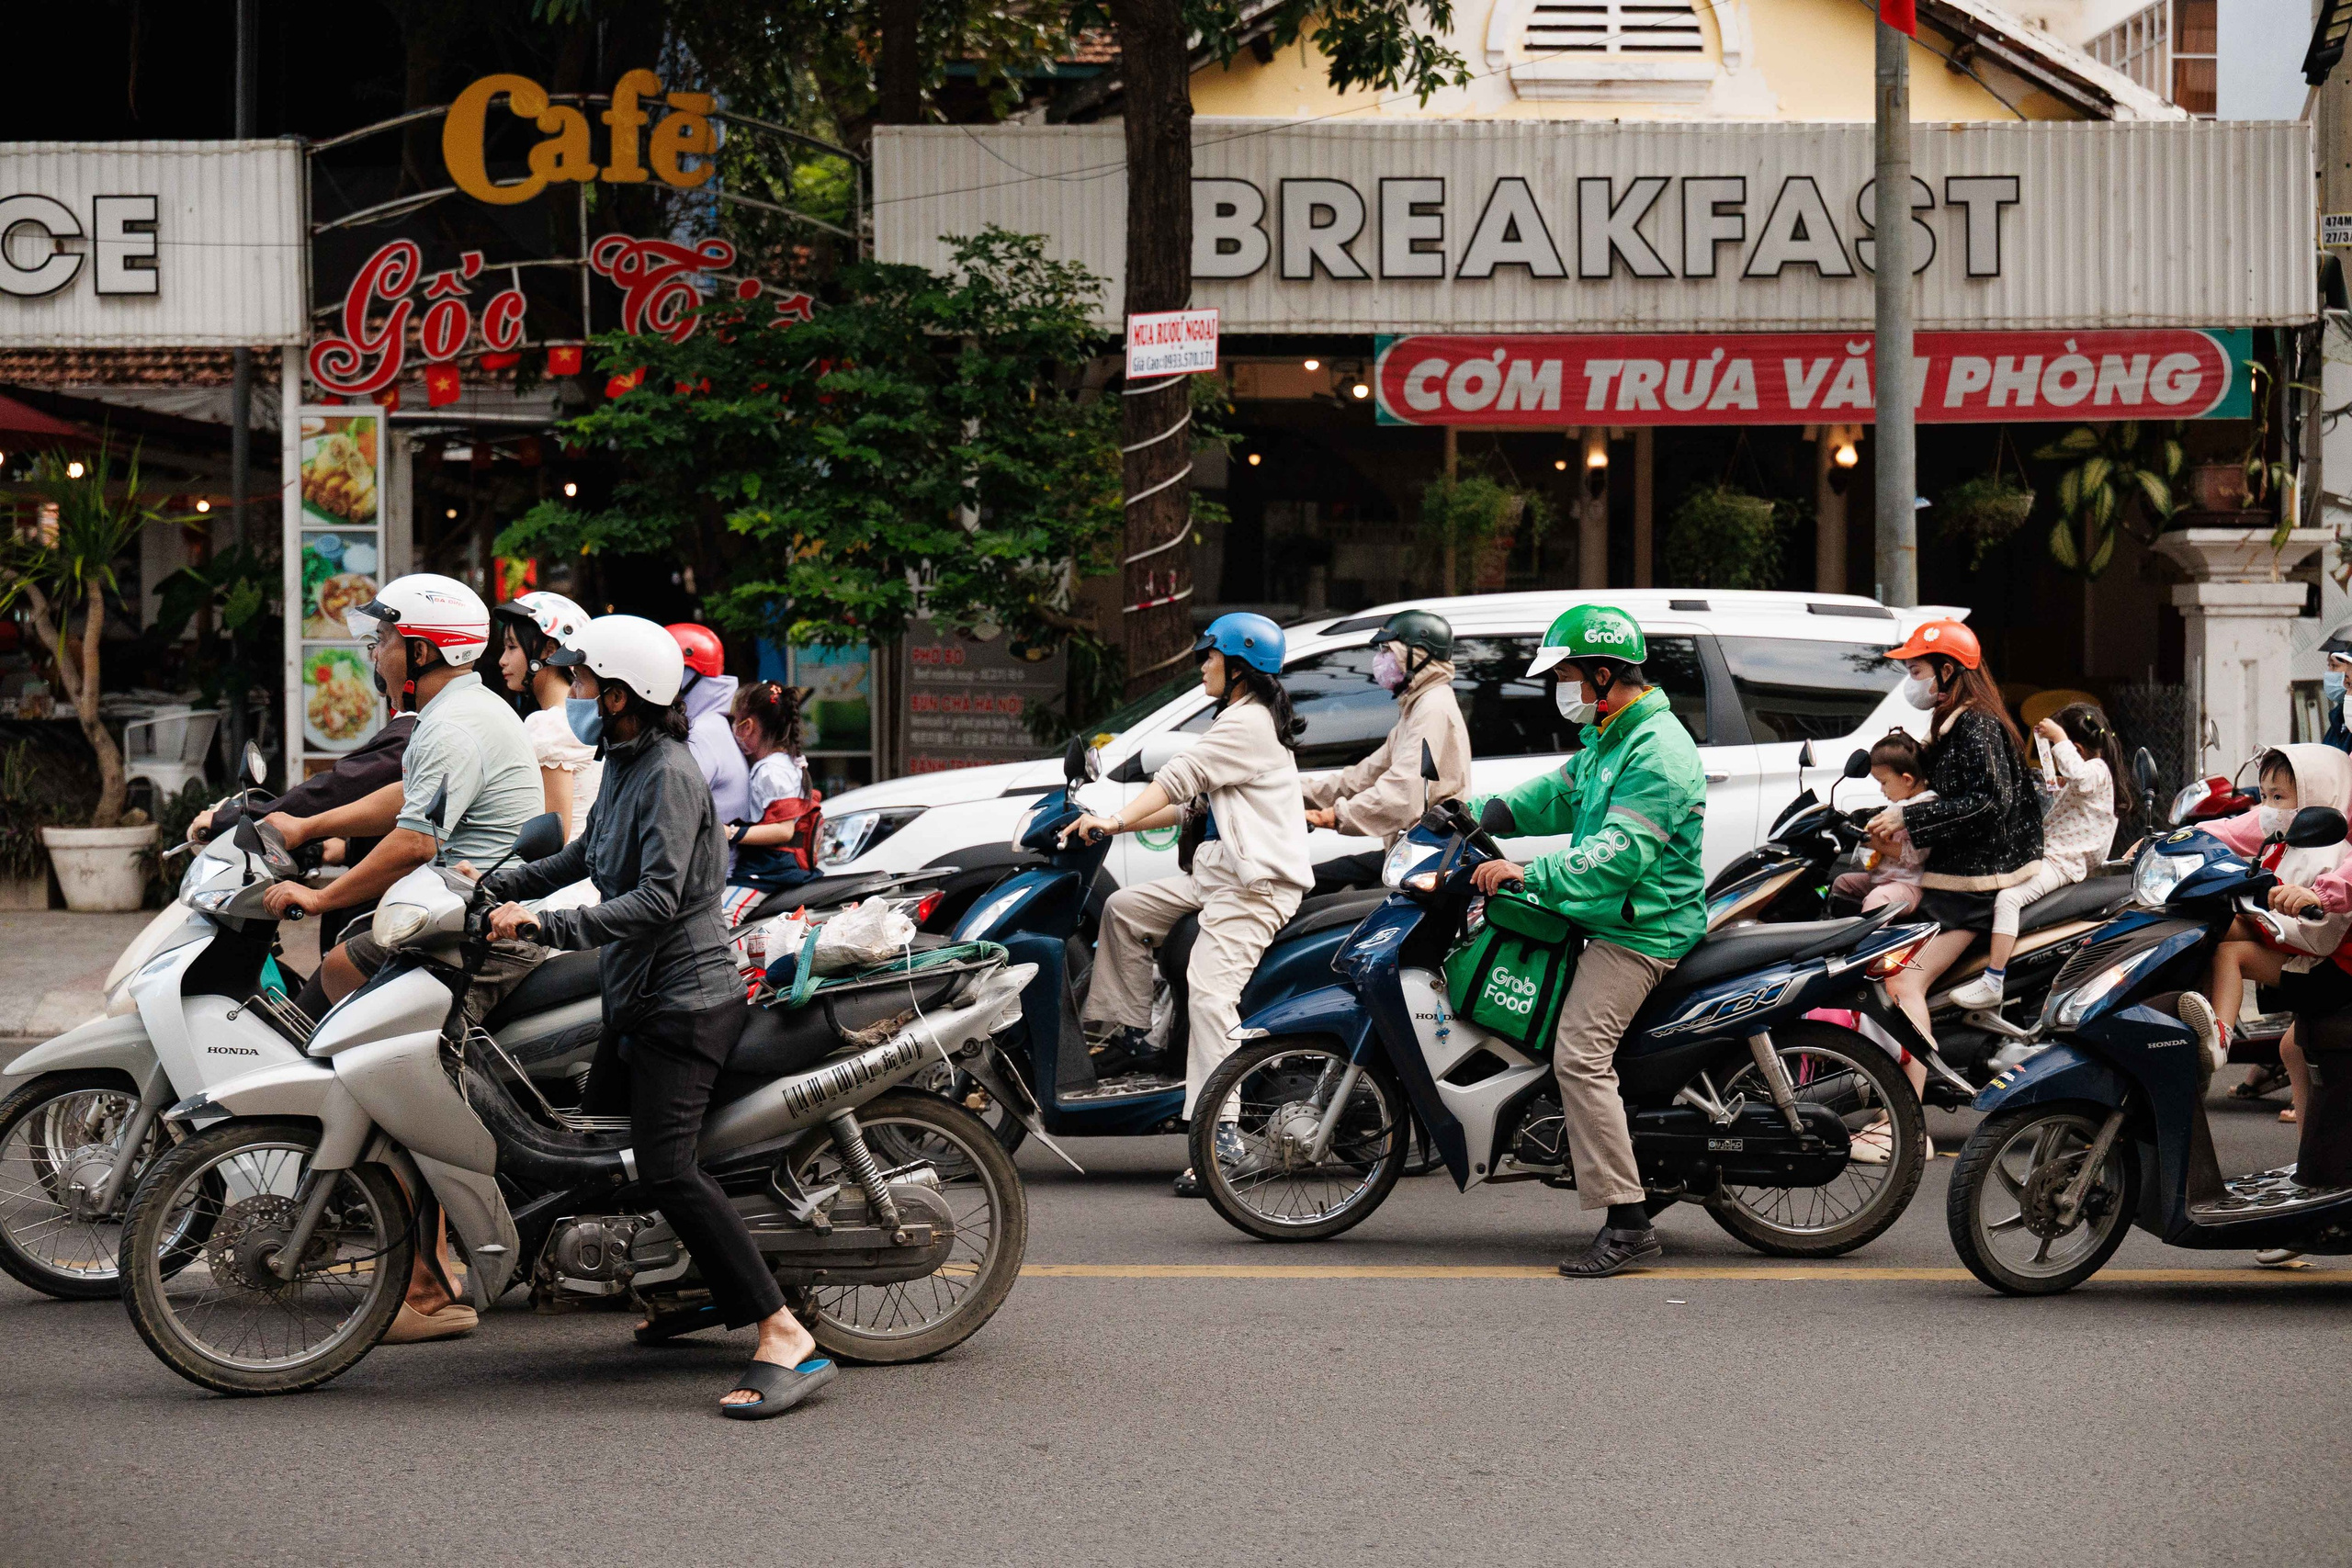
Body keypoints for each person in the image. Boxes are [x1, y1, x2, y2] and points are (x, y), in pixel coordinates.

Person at [481, 615, 834, 1417]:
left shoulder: (671, 773)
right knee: (586, 1145)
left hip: (686, 1001)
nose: (571, 691)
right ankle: (690, 1278)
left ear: (618, 694)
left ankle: (783, 1332)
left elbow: (659, 899)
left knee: (667, 1166)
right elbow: (585, 856)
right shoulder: (626, 760)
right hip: (636, 997)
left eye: (581, 680)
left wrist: (549, 925)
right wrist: (499, 885)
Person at [257, 572, 548, 1345]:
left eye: (384, 637)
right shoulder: (451, 714)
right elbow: (403, 803)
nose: (375, 649)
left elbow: (417, 841)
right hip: (447, 921)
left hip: (478, 941)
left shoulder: (453, 723)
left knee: (397, 1079)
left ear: (421, 648)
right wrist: (297, 822)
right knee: (342, 975)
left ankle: (426, 1281)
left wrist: (320, 899)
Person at [1467, 605, 1707, 1279]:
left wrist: (1528, 869)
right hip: (1603, 914)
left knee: (1579, 1053)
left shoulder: (1657, 751)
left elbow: (1618, 855)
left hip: (1639, 928)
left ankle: (1628, 1220)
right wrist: (1491, 812)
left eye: (1566, 674)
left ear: (1603, 675)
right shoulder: (1612, 734)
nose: (1559, 689)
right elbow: (1561, 790)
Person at [1066, 613, 1314, 1196]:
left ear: (1239, 666)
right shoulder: (1238, 720)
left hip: (1257, 889)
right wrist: (1108, 828)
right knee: (1124, 910)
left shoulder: (1246, 725)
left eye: (1209, 657)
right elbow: (1187, 806)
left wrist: (1116, 815)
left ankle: (1223, 1137)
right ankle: (1131, 1038)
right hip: (1218, 876)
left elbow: (1179, 778)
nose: (1202, 666)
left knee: (1208, 989)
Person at [1865, 619, 2043, 1157]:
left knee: (1903, 985)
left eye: (1916, 670)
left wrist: (1909, 820)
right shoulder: (1955, 723)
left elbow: (1987, 802)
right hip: (1959, 878)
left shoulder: (1978, 726)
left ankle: (1903, 1125)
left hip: (1976, 886)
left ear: (1947, 671)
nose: (1910, 681)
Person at [2183, 746, 2349, 1123]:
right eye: (2264, 796)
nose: (2268, 807)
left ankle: (2219, 1037)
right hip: (2299, 951)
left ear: (2315, 796)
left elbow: (2319, 936)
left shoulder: (2327, 851)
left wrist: (2266, 918)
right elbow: (2237, 841)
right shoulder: (2288, 839)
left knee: (2227, 951)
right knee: (2293, 1050)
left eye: (2279, 797)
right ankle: (2308, 1158)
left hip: (2321, 967)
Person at [1948, 702, 2128, 1009]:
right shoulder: (2086, 777)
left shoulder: (2096, 771)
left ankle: (1993, 979)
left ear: (2077, 748)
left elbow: (2081, 778)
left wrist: (2058, 739)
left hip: (2063, 863)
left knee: (2009, 898)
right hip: (2053, 857)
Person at [187, 709, 416, 949]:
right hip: (402, 901)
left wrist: (319, 896)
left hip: (398, 910)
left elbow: (339, 793)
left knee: (337, 970)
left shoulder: (411, 734)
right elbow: (396, 806)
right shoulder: (422, 727)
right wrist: (340, 849)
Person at [1301, 609, 1471, 894]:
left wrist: (1330, 816)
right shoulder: (1417, 705)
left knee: (1317, 885)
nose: (1380, 660)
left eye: (1387, 650)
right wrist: (1294, 792)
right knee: (1321, 880)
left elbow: (1401, 793)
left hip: (1429, 854)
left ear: (1417, 655)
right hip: (1412, 848)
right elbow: (1364, 776)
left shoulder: (1432, 708)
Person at [493, 590, 599, 841]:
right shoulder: (589, 715)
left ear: (549, 649)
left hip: (565, 878)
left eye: (511, 647)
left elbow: (553, 840)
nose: (502, 660)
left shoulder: (550, 726)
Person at [724, 680, 821, 900]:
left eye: (735, 720)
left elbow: (784, 830)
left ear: (747, 726)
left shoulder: (771, 770)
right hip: (777, 868)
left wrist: (728, 833)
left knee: (724, 917)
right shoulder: (784, 763)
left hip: (771, 871)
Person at [1829, 730, 1934, 916]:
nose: (1881, 789)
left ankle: (1868, 944)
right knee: (1842, 882)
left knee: (1878, 899)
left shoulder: (1924, 807)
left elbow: (1917, 857)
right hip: (1883, 878)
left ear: (1907, 779)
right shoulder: (1898, 804)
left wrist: (1879, 844)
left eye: (1883, 782)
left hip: (1909, 885)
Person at [669, 621, 751, 840]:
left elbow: (673, 811)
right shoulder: (713, 724)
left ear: (687, 674)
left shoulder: (701, 734)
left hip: (707, 872)